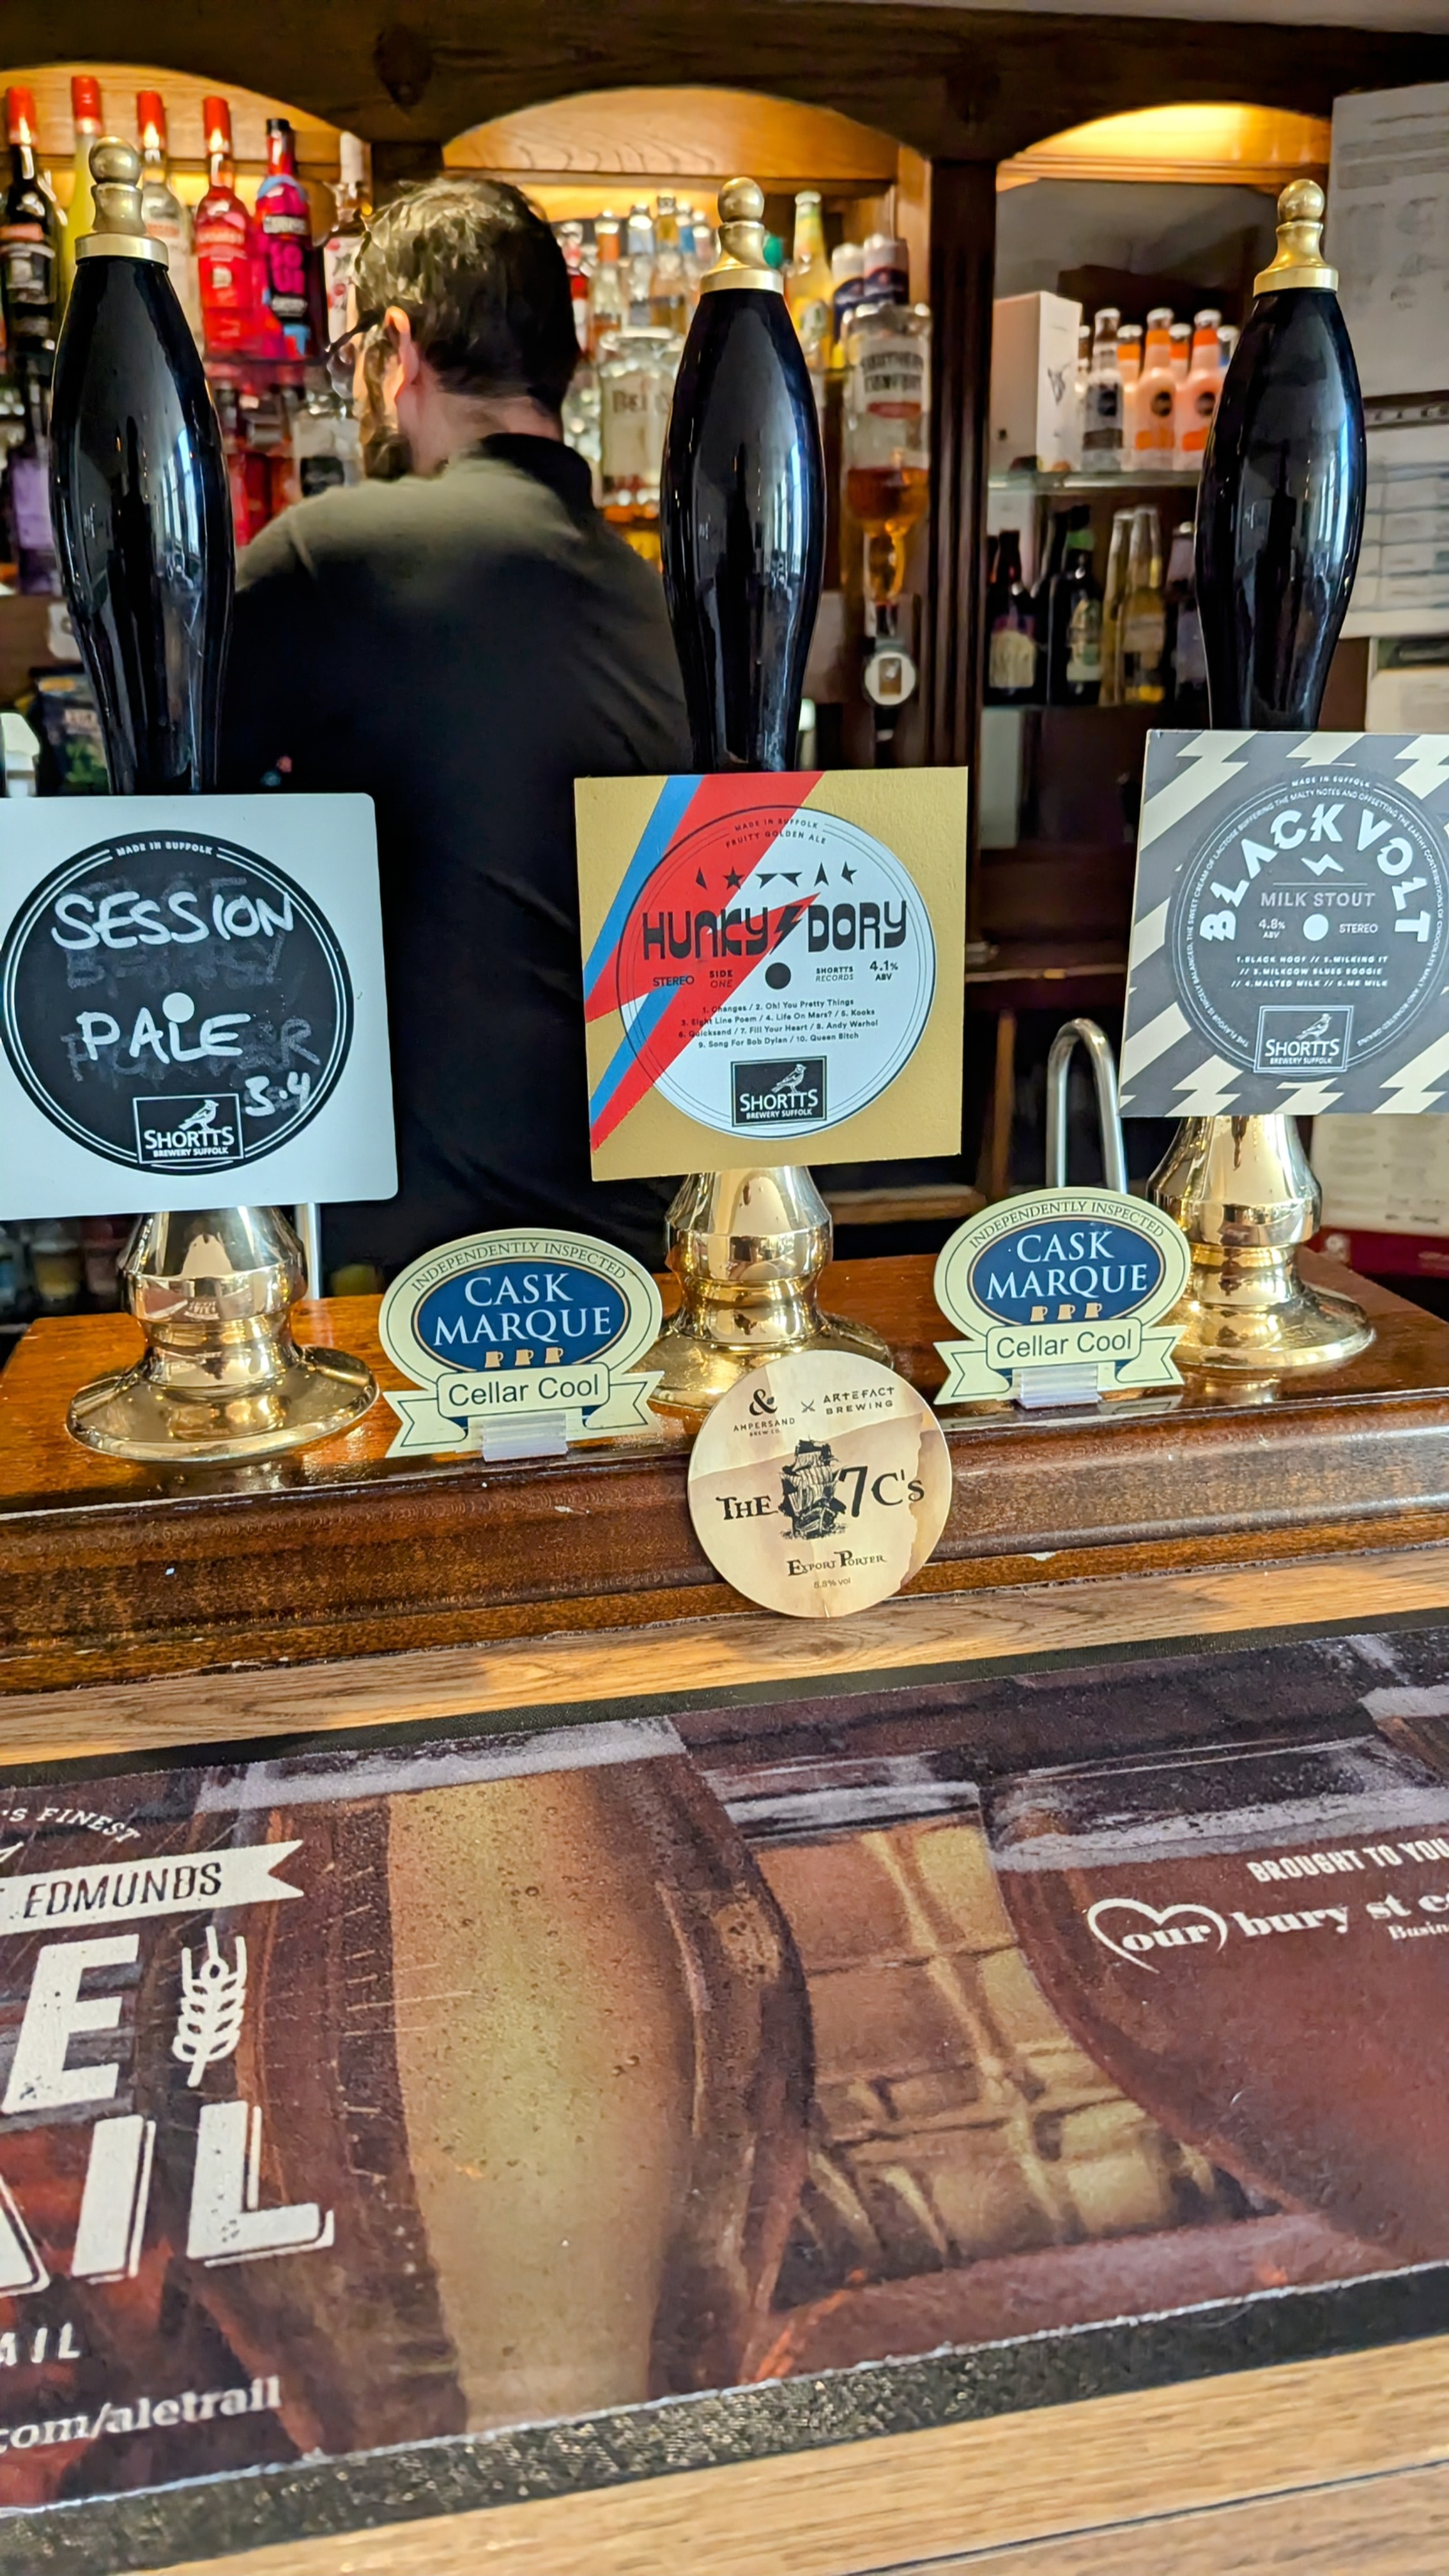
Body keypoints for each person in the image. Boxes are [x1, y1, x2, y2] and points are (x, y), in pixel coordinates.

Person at [220, 176, 690, 1275]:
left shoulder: (333, 556)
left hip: (404, 1274)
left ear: (398, 349)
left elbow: (159, 843)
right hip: (650, 1255)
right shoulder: (664, 602)